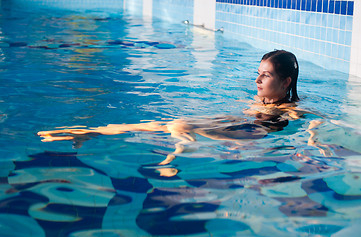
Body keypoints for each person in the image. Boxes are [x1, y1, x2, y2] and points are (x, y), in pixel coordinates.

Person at [38, 50, 306, 167]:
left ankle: (176, 154)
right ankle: (91, 132)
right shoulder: (259, 100)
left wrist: (313, 141)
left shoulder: (290, 109)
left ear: (285, 82)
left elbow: (315, 119)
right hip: (237, 122)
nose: (257, 80)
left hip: (250, 135)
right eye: (257, 73)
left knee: (179, 125)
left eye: (266, 76)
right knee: (160, 123)